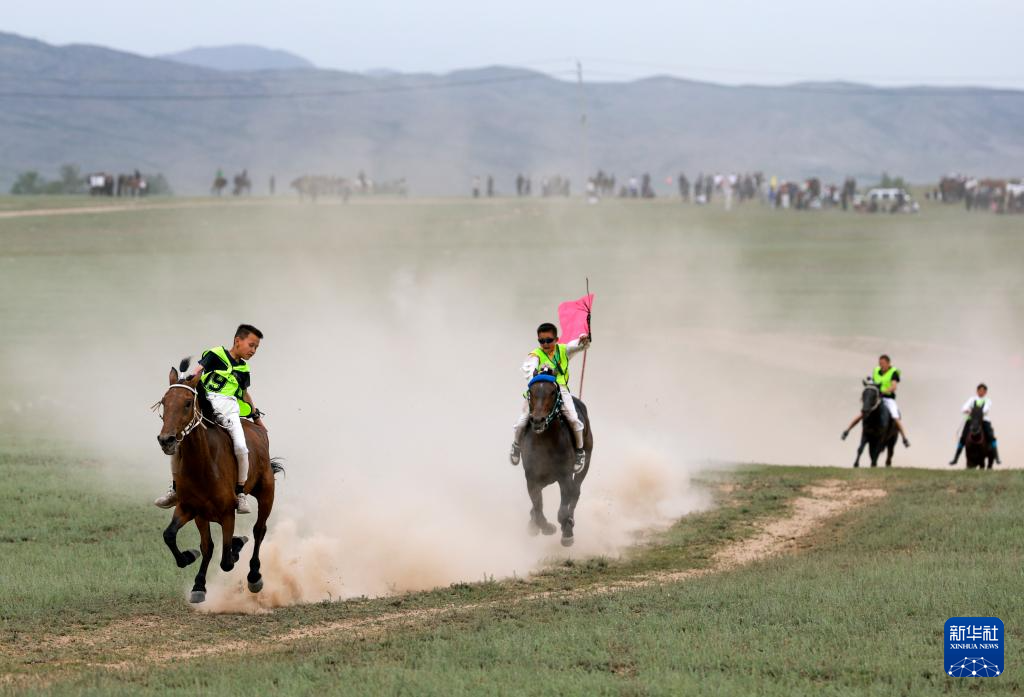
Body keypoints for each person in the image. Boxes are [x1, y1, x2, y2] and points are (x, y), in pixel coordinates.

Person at [154, 324, 267, 513]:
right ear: (237, 341)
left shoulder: (244, 368)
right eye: (251, 345)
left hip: (230, 410)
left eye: (256, 347)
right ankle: (174, 489)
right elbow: (198, 370)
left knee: (241, 447)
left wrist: (256, 418)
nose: (253, 350)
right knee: (179, 442)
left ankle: (240, 493)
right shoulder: (216, 354)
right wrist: (188, 379)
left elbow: (244, 394)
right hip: (207, 405)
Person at [510, 323, 590, 472]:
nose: (545, 344)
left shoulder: (564, 350)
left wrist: (583, 340)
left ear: (556, 339)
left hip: (560, 389)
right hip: (538, 391)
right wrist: (534, 374)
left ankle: (579, 452)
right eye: (542, 341)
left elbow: (577, 345)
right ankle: (516, 445)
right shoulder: (535, 355)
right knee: (521, 422)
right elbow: (529, 367)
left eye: (549, 340)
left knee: (574, 419)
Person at [842, 354, 910, 447]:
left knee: (895, 416)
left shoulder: (893, 372)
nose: (881, 365)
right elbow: (873, 383)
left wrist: (883, 391)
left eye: (883, 363)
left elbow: (894, 387)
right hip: (877, 397)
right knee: (864, 412)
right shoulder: (876, 371)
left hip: (888, 398)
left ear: (888, 363)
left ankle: (904, 438)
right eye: (880, 363)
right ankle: (847, 430)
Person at [949, 383, 1001, 465]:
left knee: (991, 437)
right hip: (971, 420)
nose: (981, 392)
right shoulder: (972, 399)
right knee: (963, 437)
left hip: (984, 420)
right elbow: (963, 408)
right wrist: (968, 410)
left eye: (983, 391)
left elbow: (985, 410)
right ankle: (955, 458)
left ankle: (996, 457)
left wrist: (973, 411)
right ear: (977, 391)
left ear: (985, 392)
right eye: (980, 390)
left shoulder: (988, 400)